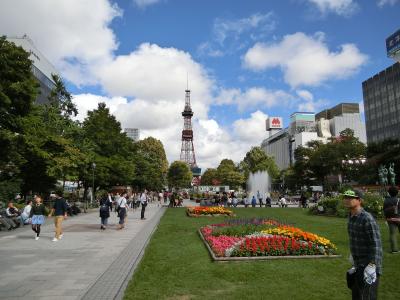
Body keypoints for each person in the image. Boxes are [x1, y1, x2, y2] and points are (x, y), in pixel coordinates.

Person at [343, 189, 382, 300]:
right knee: (356, 296)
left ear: (359, 200)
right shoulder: (351, 217)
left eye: (350, 198)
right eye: (345, 197)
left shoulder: (367, 218)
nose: (346, 200)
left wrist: (372, 265)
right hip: (358, 265)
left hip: (369, 266)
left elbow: (376, 244)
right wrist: (353, 257)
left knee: (367, 297)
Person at [383, 186, 400, 254]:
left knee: (392, 234)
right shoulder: (398, 200)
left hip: (390, 219)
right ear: (397, 192)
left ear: (389, 192)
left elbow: (384, 210)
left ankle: (394, 250)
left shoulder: (386, 200)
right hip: (399, 218)